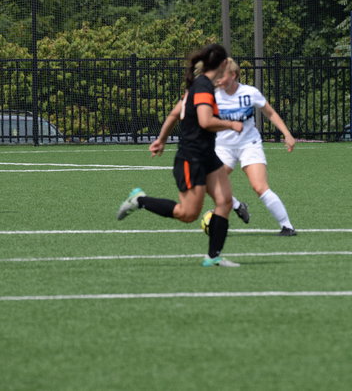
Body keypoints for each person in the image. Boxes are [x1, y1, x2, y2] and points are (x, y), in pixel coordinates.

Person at [116, 43, 243, 267]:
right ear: (223, 64)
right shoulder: (202, 87)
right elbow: (205, 121)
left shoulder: (201, 85)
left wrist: (161, 139)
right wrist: (231, 124)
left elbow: (175, 114)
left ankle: (213, 256)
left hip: (207, 155)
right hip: (192, 158)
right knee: (188, 214)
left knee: (224, 201)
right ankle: (140, 200)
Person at [214, 57, 297, 236]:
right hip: (223, 147)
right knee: (209, 182)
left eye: (222, 75)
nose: (217, 79)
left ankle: (287, 226)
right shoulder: (213, 95)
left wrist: (287, 134)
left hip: (249, 144)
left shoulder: (250, 92)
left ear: (233, 75)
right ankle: (237, 206)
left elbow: (270, 112)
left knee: (259, 186)